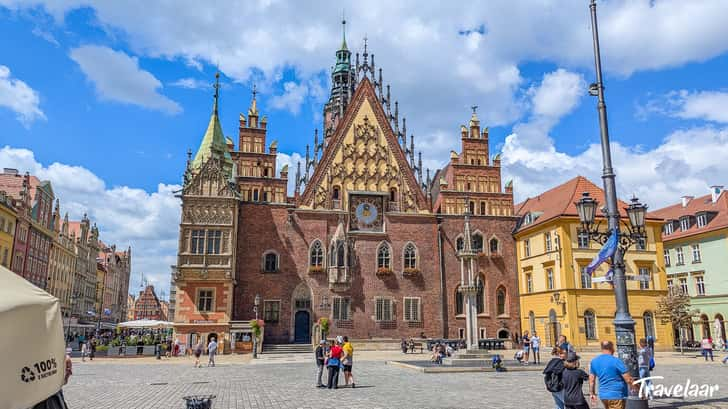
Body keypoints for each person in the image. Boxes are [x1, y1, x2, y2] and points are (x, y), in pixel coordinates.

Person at [588, 341, 635, 409]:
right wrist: (638, 388)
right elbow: (628, 379)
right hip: (616, 395)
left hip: (603, 396)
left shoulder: (594, 361)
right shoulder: (616, 361)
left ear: (602, 348)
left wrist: (592, 393)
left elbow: (592, 380)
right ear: (612, 348)